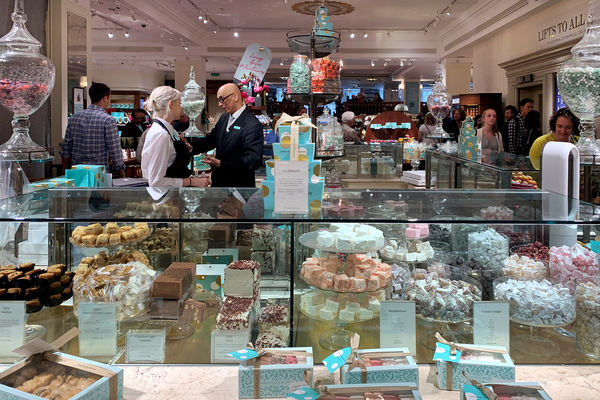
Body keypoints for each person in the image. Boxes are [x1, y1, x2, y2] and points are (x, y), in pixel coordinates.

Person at [191, 83, 264, 187]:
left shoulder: (252, 124)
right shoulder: (224, 118)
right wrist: (190, 147)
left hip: (239, 188)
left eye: (222, 99)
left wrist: (222, 164)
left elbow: (253, 160)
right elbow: (211, 140)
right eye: (218, 100)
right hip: (219, 185)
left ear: (235, 96)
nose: (220, 104)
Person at [141, 86, 211, 188]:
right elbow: (156, 182)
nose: (182, 107)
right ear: (171, 104)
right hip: (167, 199)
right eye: (180, 103)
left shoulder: (169, 131)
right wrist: (191, 182)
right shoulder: (161, 135)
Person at [61, 82, 126, 177]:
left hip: (77, 172)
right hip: (98, 174)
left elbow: (66, 147)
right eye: (109, 98)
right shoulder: (108, 120)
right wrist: (122, 172)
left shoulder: (74, 118)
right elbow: (115, 150)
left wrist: (64, 170)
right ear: (105, 98)